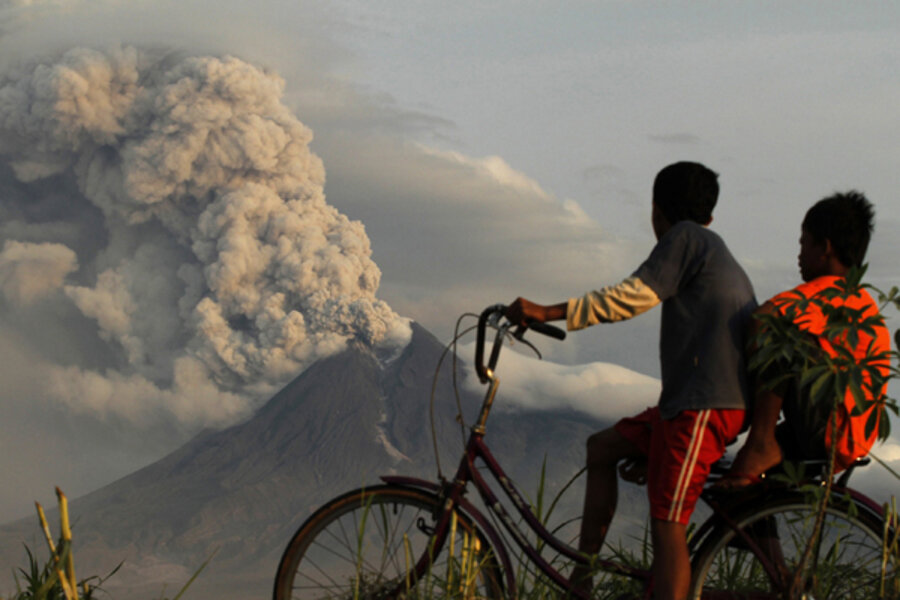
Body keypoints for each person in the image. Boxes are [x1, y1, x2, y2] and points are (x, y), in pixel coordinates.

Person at [505, 161, 757, 600]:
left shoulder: (686, 238)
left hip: (704, 407)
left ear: (656, 210)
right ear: (710, 214)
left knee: (668, 524)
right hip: (686, 406)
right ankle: (582, 579)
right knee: (602, 448)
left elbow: (631, 297)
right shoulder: (711, 246)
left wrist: (547, 311)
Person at [720, 191, 890, 487]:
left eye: (803, 243)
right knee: (745, 490)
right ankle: (760, 534)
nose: (798, 255)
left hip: (828, 429)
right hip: (847, 437)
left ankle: (760, 441)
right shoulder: (862, 302)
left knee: (780, 333)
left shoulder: (833, 291)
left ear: (824, 248)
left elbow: (765, 318)